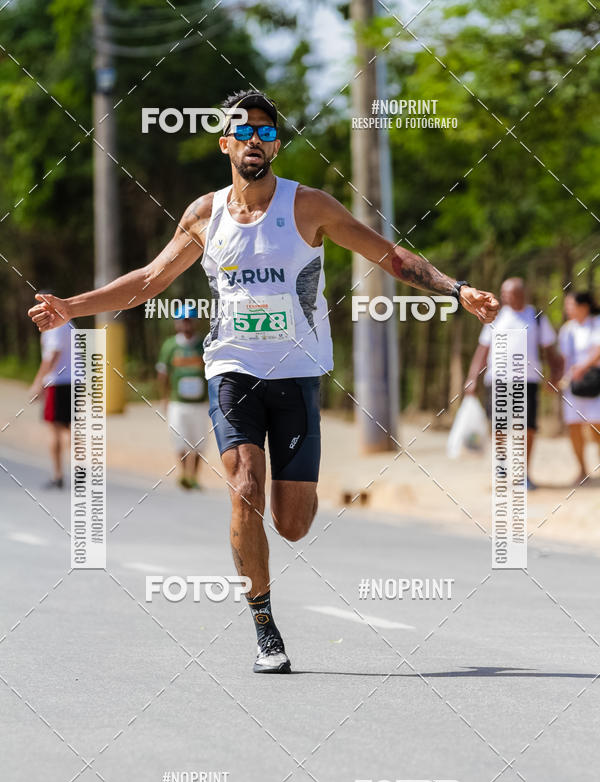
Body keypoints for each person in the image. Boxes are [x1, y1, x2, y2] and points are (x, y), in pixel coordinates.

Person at [28, 89, 499, 673]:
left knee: (293, 523)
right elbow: (149, 280)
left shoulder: (311, 208)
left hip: (298, 375)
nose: (256, 140)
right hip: (233, 369)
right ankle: (263, 623)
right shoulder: (204, 216)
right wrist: (71, 306)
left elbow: (388, 256)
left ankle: (270, 569)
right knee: (245, 483)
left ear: (277, 144)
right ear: (225, 142)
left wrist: (456, 290)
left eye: (267, 133)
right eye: (244, 132)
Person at [464, 276, 561, 490]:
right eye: (504, 293)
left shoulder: (536, 317)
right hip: (498, 379)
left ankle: (523, 474)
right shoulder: (494, 317)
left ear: (522, 294)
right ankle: (500, 466)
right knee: (499, 427)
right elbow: (482, 350)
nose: (506, 297)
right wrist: (472, 379)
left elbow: (550, 349)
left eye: (510, 293)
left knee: (528, 428)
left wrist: (554, 375)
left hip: (528, 380)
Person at [156, 306, 207, 490]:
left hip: (200, 402)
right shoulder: (170, 346)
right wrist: (164, 398)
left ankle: (194, 476)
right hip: (178, 402)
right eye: (183, 320)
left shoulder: (203, 344)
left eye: (189, 320)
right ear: (177, 323)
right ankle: (184, 474)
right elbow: (163, 374)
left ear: (195, 322)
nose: (186, 324)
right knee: (180, 440)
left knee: (199, 441)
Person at [558, 291, 600, 484]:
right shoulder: (567, 330)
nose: (568, 310)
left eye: (571, 306)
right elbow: (565, 358)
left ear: (584, 307)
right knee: (573, 425)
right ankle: (582, 469)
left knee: (596, 425)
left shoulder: (597, 323)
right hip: (573, 384)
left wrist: (583, 367)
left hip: (595, 382)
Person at [30, 317, 73, 489]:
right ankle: (81, 471)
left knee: (54, 427)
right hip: (74, 380)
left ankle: (58, 475)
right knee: (70, 427)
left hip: (58, 381)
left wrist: (38, 382)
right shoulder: (69, 323)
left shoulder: (55, 326)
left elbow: (53, 354)